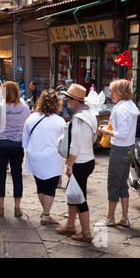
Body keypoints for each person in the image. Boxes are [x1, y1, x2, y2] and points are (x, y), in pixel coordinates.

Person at [55, 84, 98, 242]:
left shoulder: (79, 118)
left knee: (80, 198)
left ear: (75, 100)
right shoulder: (89, 114)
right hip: (88, 159)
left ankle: (86, 233)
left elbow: (75, 146)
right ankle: (70, 225)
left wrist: (69, 165)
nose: (66, 101)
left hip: (80, 162)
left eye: (69, 98)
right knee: (72, 193)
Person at [98, 79, 139, 228]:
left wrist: (106, 131)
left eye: (113, 91)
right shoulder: (131, 106)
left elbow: (121, 133)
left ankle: (110, 218)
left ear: (119, 92)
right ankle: (124, 218)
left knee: (113, 183)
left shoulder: (120, 109)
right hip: (129, 148)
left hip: (120, 148)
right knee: (122, 184)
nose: (111, 94)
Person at [22, 88, 66, 225]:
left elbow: (25, 140)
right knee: (50, 187)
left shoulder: (31, 118)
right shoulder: (60, 121)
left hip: (34, 156)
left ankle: (45, 212)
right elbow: (64, 143)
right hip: (52, 158)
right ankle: (46, 215)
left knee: (40, 186)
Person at [0, 81, 31, 217]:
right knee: (17, 175)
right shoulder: (25, 108)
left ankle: (1, 208)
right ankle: (17, 208)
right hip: (17, 145)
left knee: (0, 175)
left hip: (1, 144)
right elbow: (27, 126)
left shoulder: (0, 108)